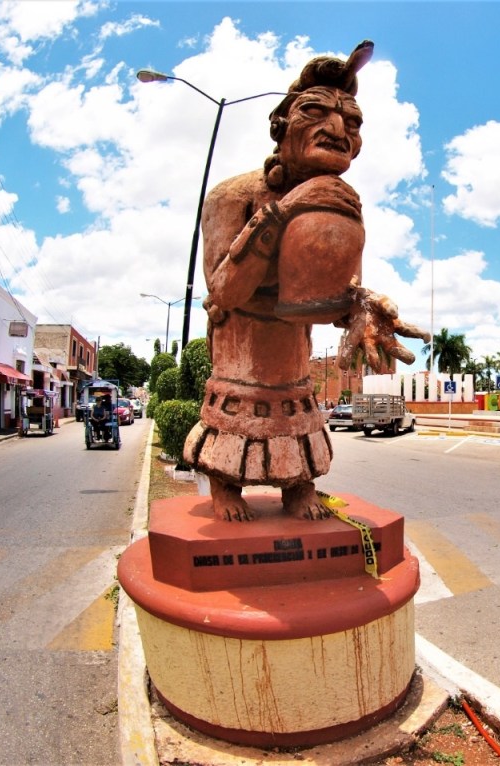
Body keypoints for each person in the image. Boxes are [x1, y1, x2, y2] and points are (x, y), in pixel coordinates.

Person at [183, 41, 428, 522]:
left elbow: (338, 290)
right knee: (238, 414)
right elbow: (223, 290)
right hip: (240, 342)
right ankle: (225, 484)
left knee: (295, 425)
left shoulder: (340, 201)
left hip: (292, 350)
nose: (337, 130)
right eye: (315, 112)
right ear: (281, 126)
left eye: (351, 122)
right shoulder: (233, 195)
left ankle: (298, 488)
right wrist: (286, 210)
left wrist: (362, 305)